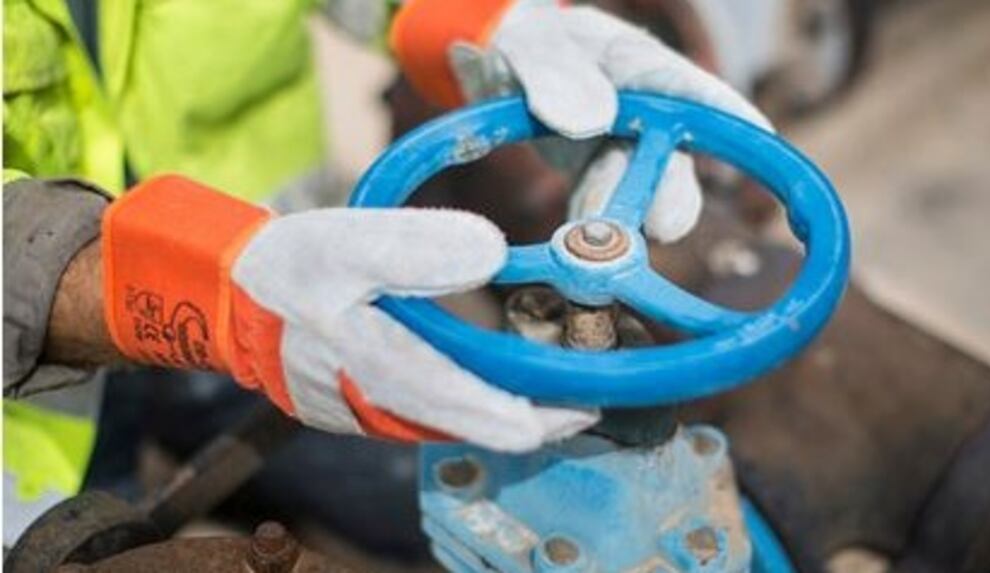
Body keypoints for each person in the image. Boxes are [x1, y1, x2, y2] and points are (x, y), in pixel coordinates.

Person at [3, 0, 769, 547]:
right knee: (101, 539)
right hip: (39, 427)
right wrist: (189, 285)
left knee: (436, 509)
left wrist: (483, 21)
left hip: (299, 305)